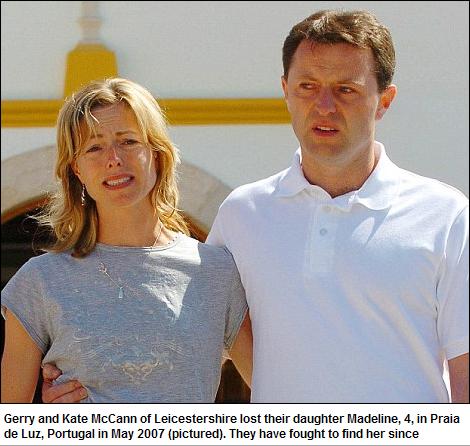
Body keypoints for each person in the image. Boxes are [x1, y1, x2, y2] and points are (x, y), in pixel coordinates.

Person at [42, 9, 468, 403]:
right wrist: (80, 380)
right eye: (307, 87)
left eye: (346, 90)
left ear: (385, 101)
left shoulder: (445, 216)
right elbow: (182, 338)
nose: (324, 106)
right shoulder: (243, 214)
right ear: (285, 91)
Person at [1, 77, 251, 403]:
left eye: (128, 141)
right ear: (76, 169)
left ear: (157, 154)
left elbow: (278, 391)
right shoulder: (39, 281)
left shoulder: (216, 272)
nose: (114, 158)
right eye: (94, 147)